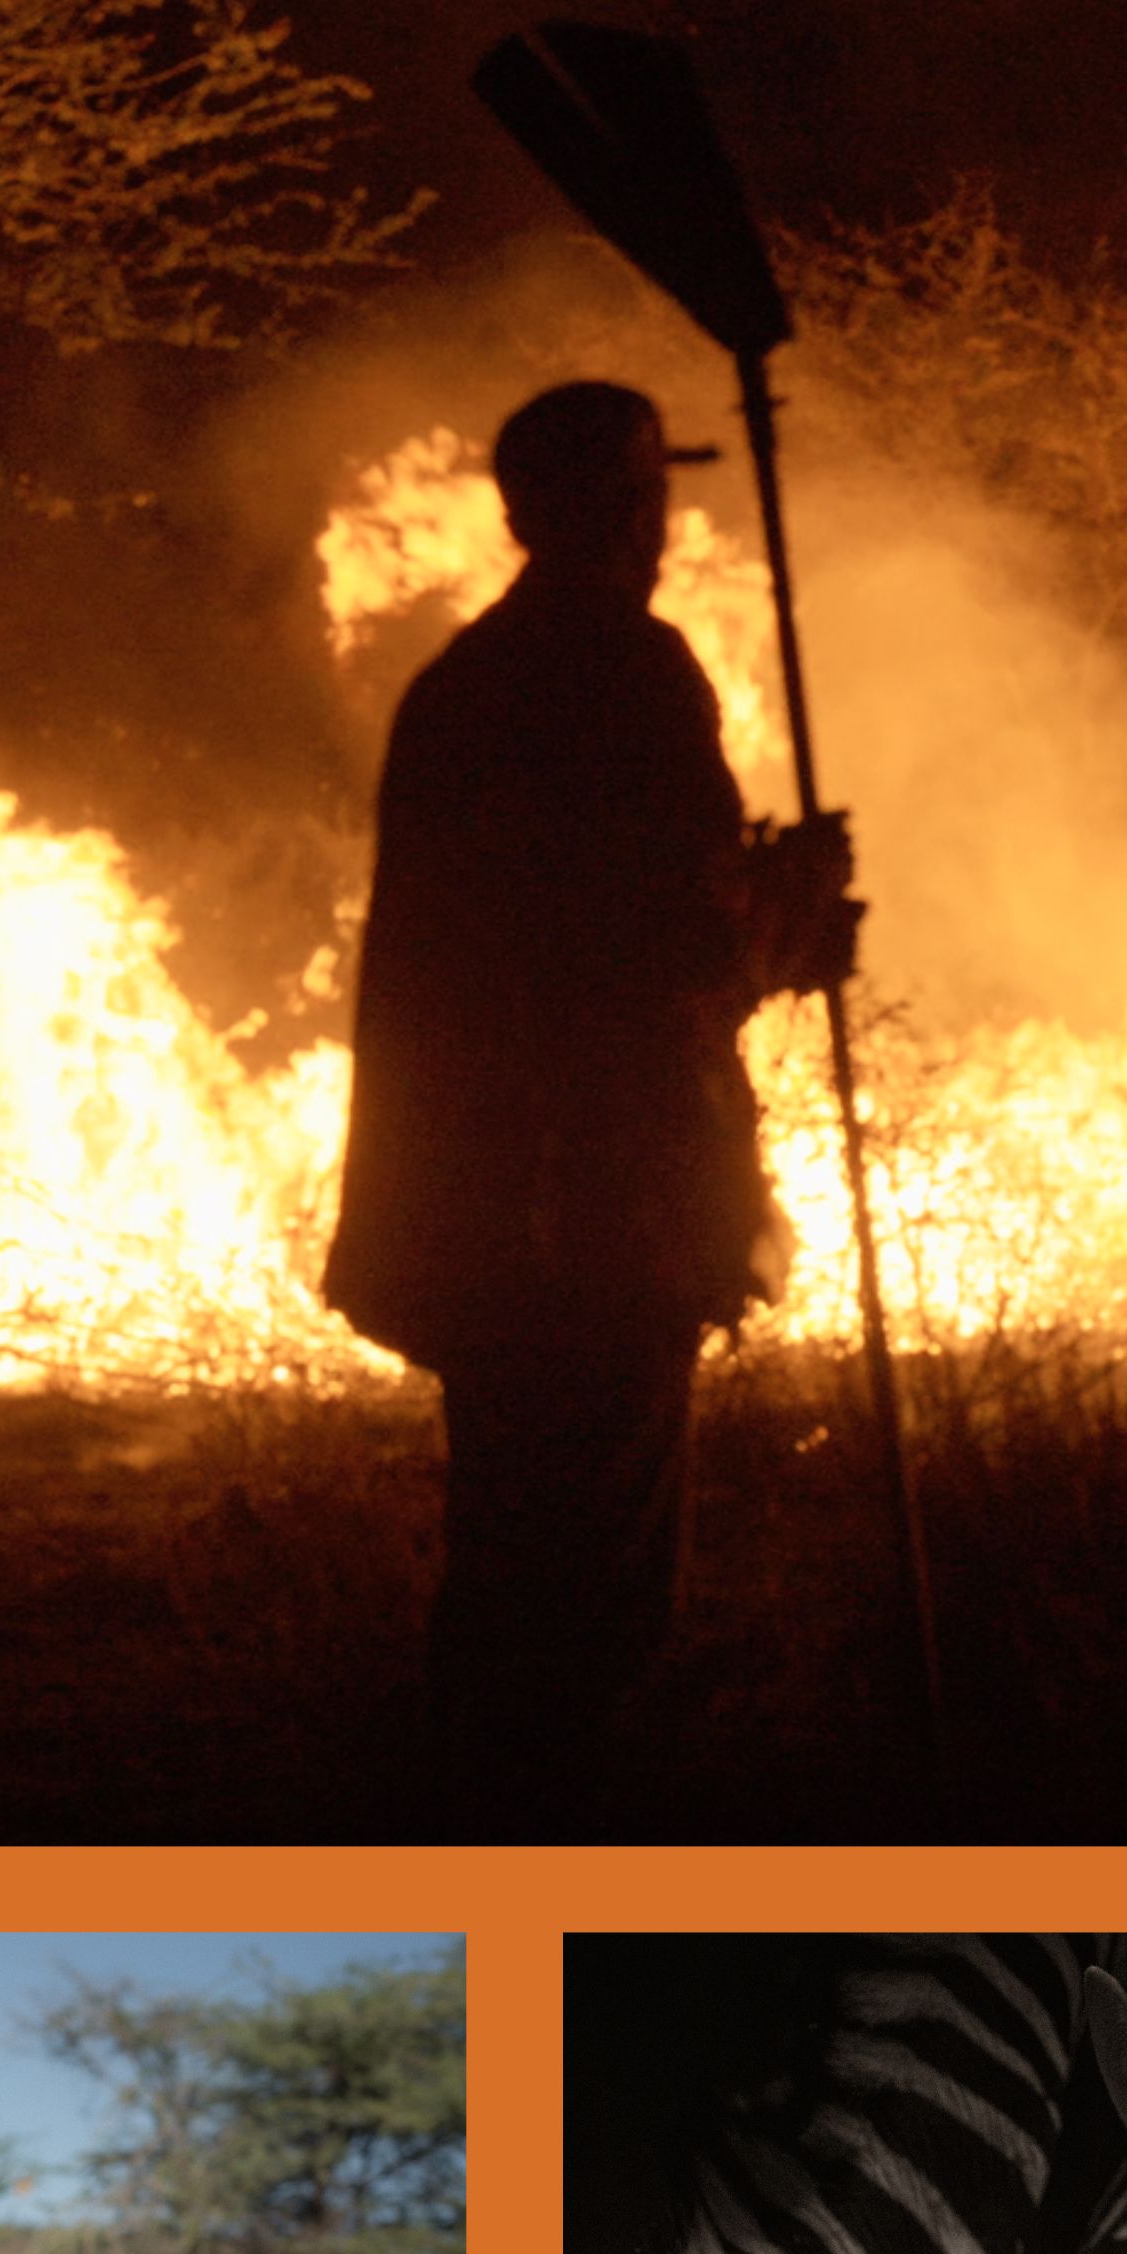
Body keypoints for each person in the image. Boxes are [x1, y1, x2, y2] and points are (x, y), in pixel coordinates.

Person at [317, 377, 862, 1825]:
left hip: (471, 1205)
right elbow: (661, 951)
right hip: (600, 1207)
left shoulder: (460, 686)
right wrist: (791, 917)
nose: (658, 519)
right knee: (598, 1601)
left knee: (510, 1558)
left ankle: (474, 1843)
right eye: (641, 492)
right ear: (612, 509)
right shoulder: (626, 670)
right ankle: (561, 1878)